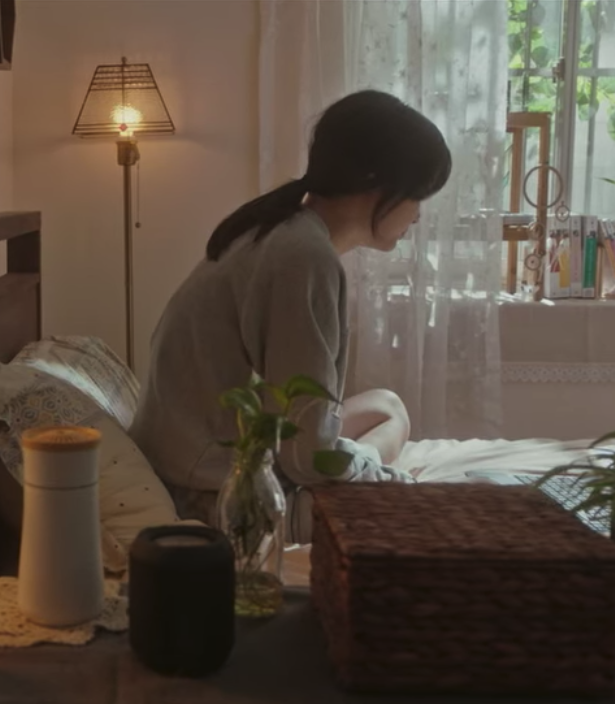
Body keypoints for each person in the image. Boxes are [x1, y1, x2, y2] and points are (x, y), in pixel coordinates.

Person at [129, 90, 451, 523]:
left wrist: (363, 467)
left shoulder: (280, 229)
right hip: (217, 492)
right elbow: (308, 460)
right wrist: (391, 485)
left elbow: (302, 430)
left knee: (388, 406)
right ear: (375, 183)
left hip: (207, 454)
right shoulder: (303, 257)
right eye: (418, 196)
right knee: (408, 503)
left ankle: (364, 466)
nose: (418, 216)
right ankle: (370, 475)